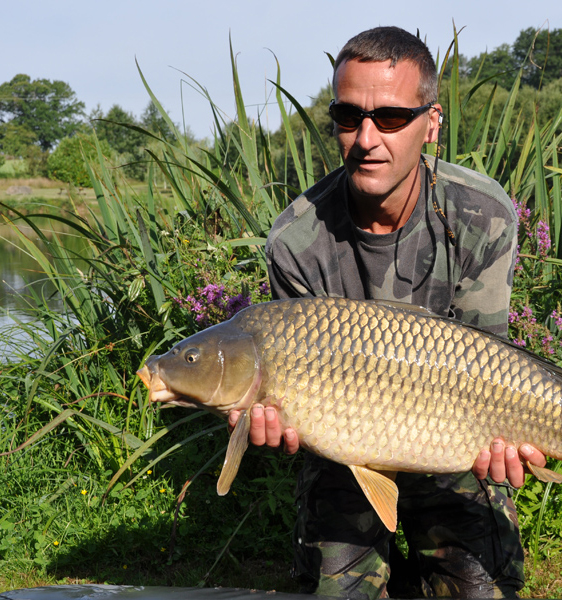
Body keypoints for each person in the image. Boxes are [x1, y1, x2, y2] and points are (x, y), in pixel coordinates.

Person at [228, 25, 545, 599]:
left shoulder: (483, 213)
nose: (367, 138)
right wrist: (272, 420)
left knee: (480, 591)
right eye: (348, 118)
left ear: (432, 122)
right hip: (343, 452)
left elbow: (490, 366)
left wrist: (507, 439)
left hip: (453, 440)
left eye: (392, 118)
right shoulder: (297, 239)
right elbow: (291, 393)